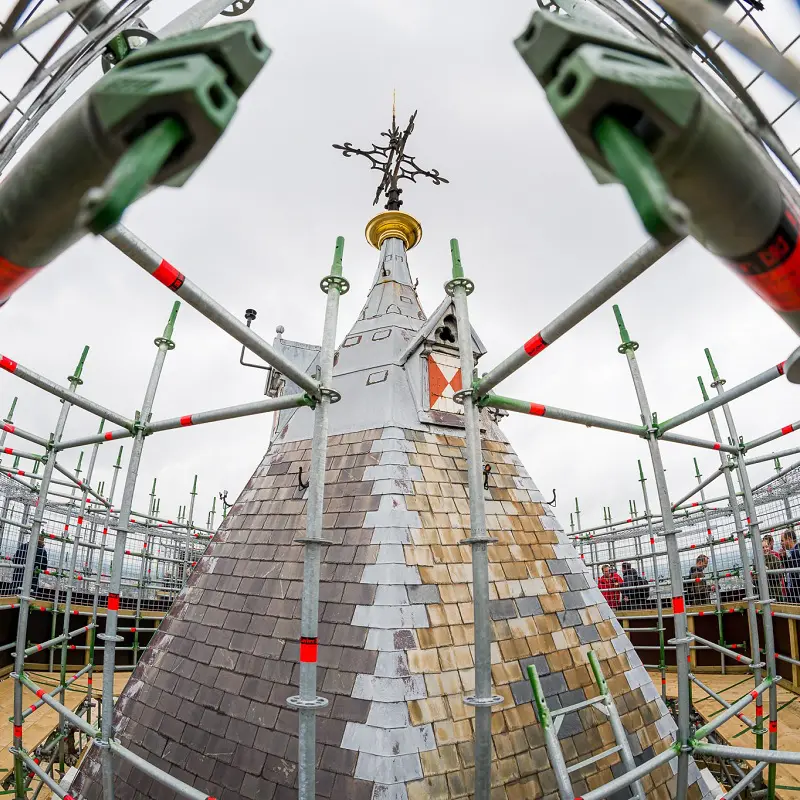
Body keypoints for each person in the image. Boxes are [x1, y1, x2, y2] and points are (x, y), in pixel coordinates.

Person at [762, 535, 784, 600]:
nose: (765, 549)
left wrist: (767, 573)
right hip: (764, 594)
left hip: (776, 592)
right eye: (763, 547)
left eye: (766, 547)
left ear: (769, 547)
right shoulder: (757, 561)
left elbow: (779, 575)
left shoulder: (775, 559)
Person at [782, 530, 800, 603]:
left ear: (789, 539)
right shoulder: (794, 552)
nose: (782, 543)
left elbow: (796, 576)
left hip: (797, 593)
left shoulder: (796, 553)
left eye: (783, 540)